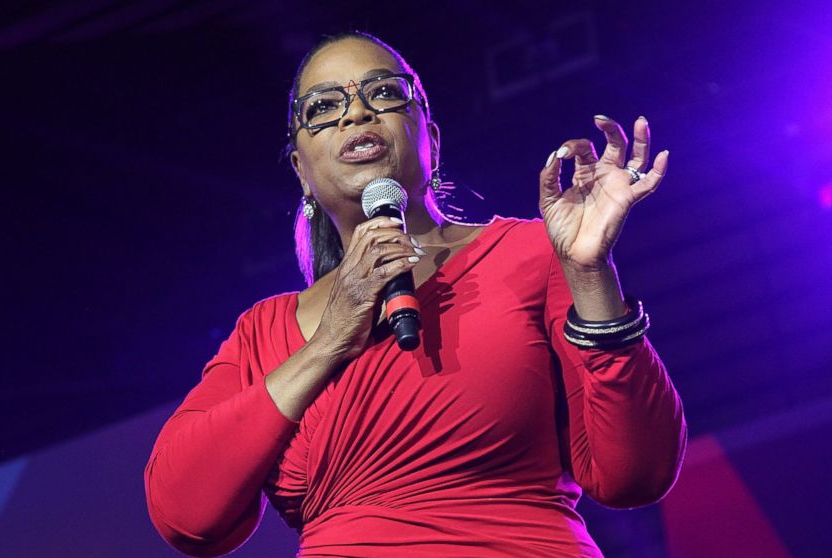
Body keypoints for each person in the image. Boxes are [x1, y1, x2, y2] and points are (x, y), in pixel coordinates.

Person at [144, 31, 686, 558]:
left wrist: (589, 272)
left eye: (383, 93)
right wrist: (329, 340)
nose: (357, 114)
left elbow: (636, 474)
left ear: (432, 138)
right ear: (301, 172)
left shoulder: (532, 252)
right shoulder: (262, 331)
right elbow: (186, 515)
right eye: (325, 106)